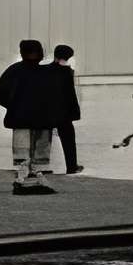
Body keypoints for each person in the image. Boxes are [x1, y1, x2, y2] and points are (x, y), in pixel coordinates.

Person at [0, 38, 65, 195]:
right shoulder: (46, 73)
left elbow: (1, 95)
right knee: (40, 154)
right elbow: (55, 97)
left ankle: (23, 178)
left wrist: (14, 107)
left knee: (22, 153)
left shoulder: (13, 71)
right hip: (42, 121)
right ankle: (36, 177)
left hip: (20, 119)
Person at [48, 43, 87, 176]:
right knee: (68, 140)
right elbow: (70, 95)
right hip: (63, 113)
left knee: (43, 139)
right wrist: (74, 113)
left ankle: (41, 166)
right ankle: (71, 166)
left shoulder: (45, 70)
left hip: (46, 111)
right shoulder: (67, 72)